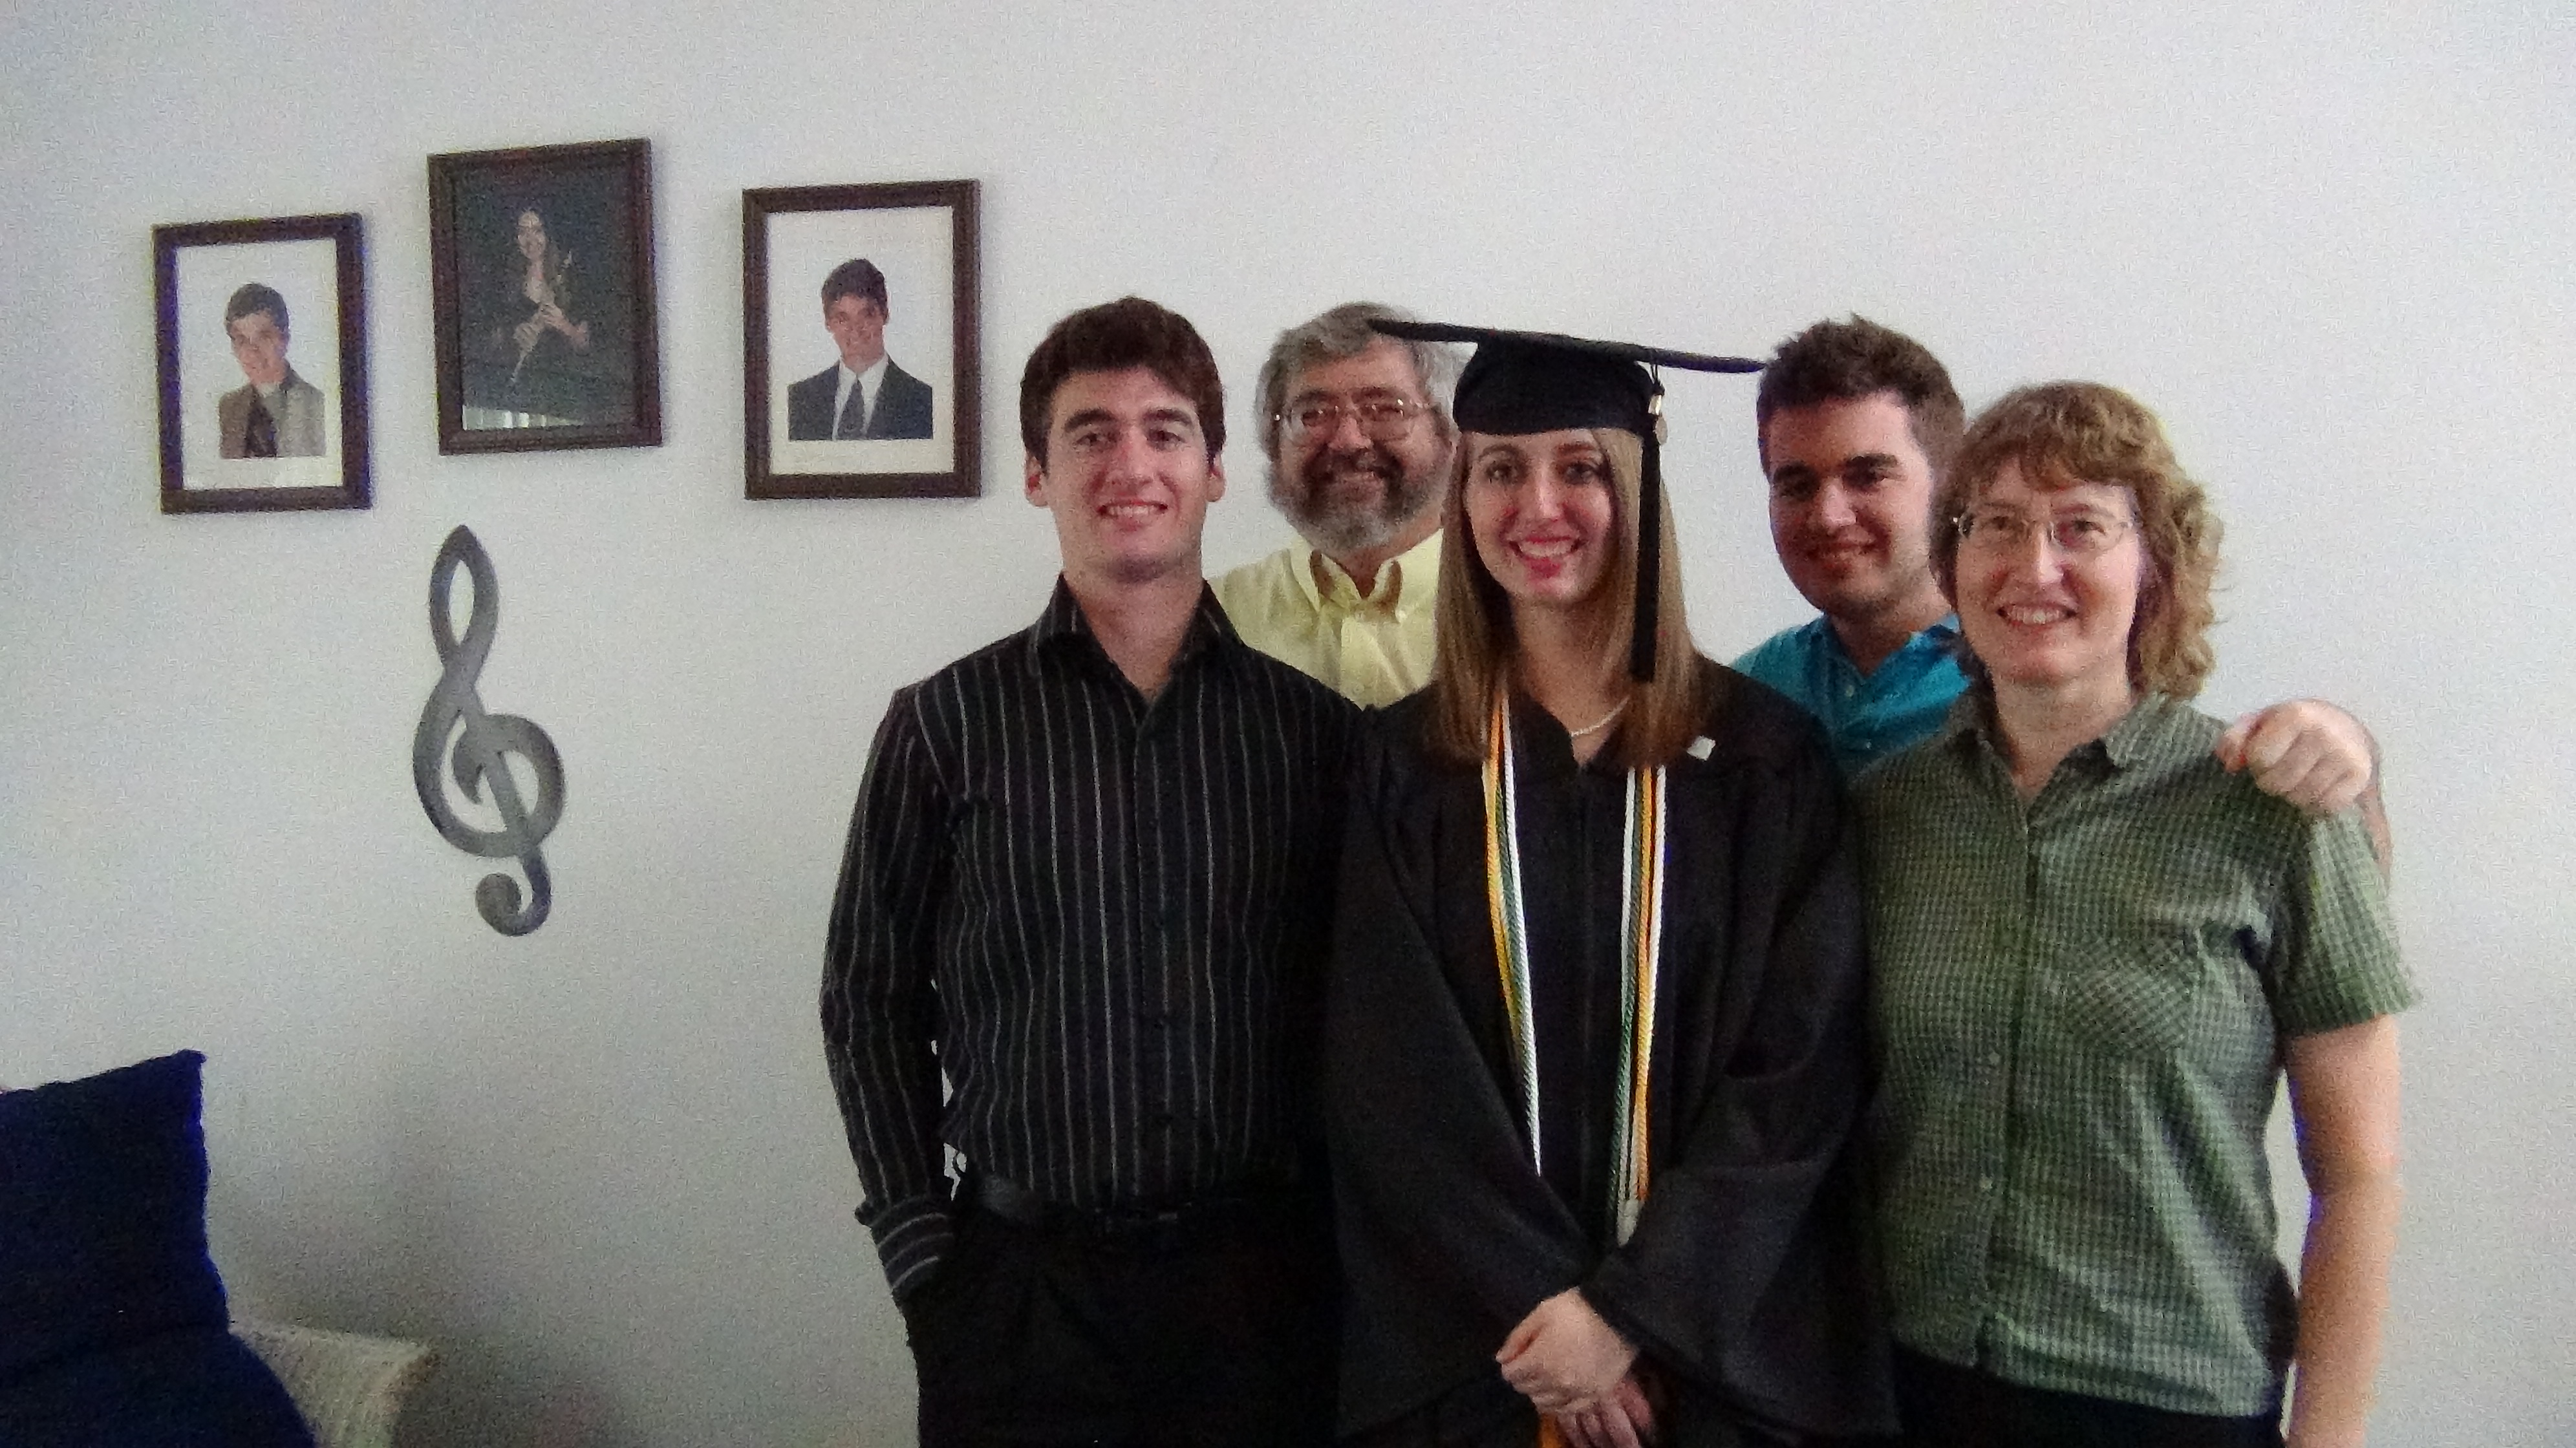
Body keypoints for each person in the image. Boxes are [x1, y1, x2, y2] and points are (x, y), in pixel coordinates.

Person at [1326, 321, 1894, 1448]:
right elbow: (1393, 1082)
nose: (1538, 506)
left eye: (1580, 468)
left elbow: (1797, 1073)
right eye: (1501, 469)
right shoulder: (1403, 768)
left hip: (1711, 1365)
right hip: (1485, 1361)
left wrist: (1635, 1314)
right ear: (1460, 500)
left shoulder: (1764, 761)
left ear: (1636, 488)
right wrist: (1559, 1338)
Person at [821, 296, 1355, 1447]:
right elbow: (865, 998)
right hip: (1018, 1300)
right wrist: (922, 1256)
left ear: (1215, 471)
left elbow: (1364, 1015)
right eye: (1090, 433)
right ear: (1036, 473)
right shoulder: (942, 725)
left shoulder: (1314, 737)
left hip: (1262, 1298)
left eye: (1166, 432)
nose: (1131, 465)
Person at [1855, 382, 2414, 1447]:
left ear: (2152, 564)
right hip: (1908, 1388)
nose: (2034, 568)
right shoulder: (1885, 815)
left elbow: (2358, 1179)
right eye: (1997, 525)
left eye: (2081, 528)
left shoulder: (2273, 815)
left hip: (2170, 1406)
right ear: (1952, 561)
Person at [1735, 318, 2388, 864]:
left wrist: (2347, 753)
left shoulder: (2056, 663)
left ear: (1949, 485)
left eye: (1868, 476)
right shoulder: (1745, 695)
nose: (1829, 515)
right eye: (1796, 484)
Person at [1213, 303, 1460, 705]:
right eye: (1313, 414)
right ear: (1274, 446)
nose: (1348, 440)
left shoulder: (1516, 617)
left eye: (1386, 410)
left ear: (1449, 436)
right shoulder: (1214, 622)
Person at [467, 206, 615, 426]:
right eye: (522, 232)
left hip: (562, 389)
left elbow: (587, 347)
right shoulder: (502, 279)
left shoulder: (570, 279)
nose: (531, 241)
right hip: (515, 391)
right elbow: (486, 341)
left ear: (548, 234)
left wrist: (564, 325)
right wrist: (513, 334)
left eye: (537, 231)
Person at [787, 258, 936, 440]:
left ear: (885, 315)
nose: (855, 329)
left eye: (866, 316)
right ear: (828, 323)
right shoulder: (798, 400)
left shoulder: (924, 402)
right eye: (842, 319)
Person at [215, 283, 325, 458]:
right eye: (242, 340)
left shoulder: (317, 404)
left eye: (264, 338)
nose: (253, 351)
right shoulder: (228, 408)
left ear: (285, 339)